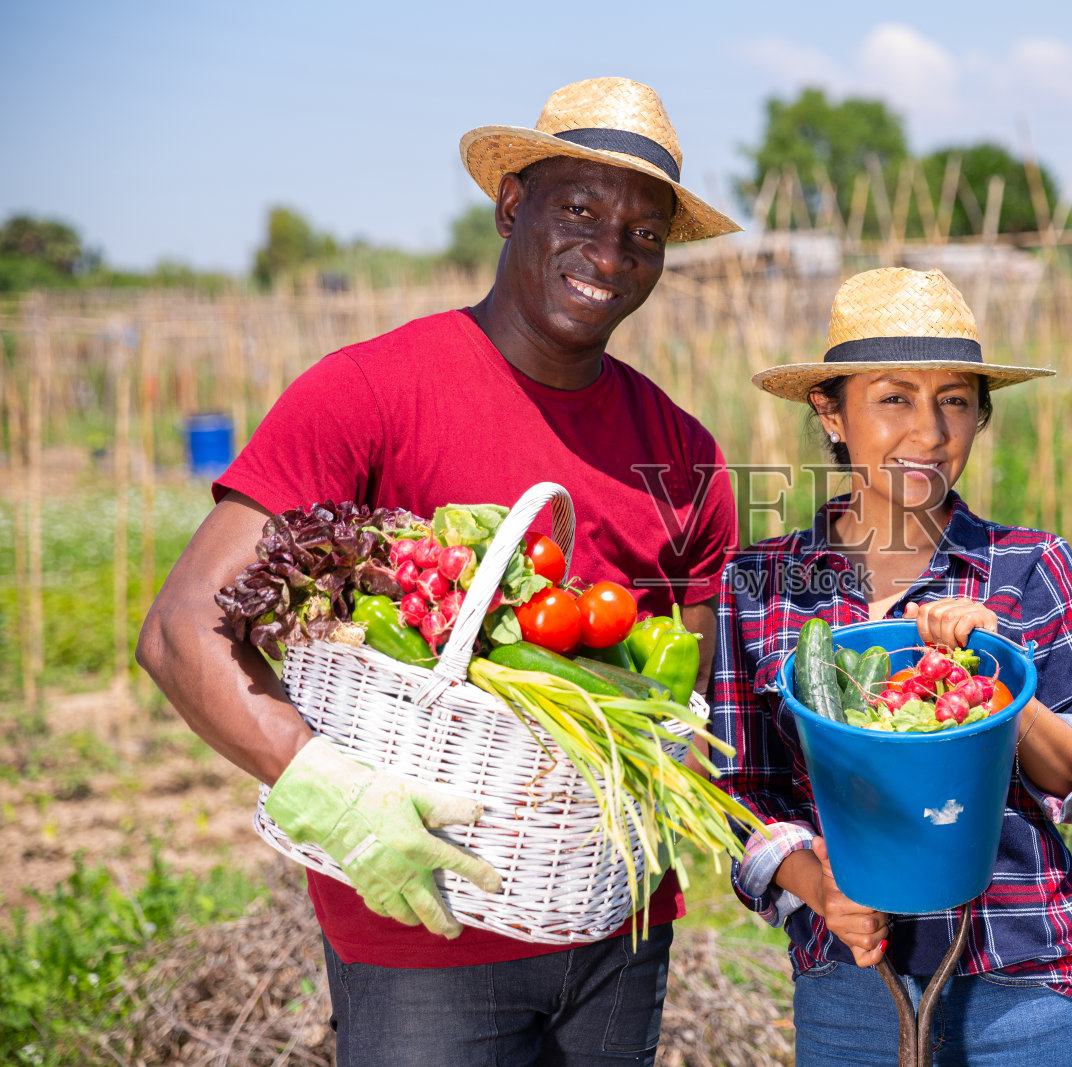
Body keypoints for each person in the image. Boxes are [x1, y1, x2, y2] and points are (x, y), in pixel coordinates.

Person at [137, 77, 742, 1066]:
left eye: (643, 233)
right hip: (423, 930)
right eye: (580, 210)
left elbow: (684, 705)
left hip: (619, 930)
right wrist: (333, 790)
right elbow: (180, 629)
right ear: (512, 207)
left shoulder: (685, 454)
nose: (611, 250)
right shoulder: (368, 393)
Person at [713, 268, 1072, 1066]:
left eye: (955, 401)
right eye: (894, 398)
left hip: (1024, 977)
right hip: (850, 990)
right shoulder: (761, 586)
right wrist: (820, 890)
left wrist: (996, 677)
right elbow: (738, 792)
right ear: (831, 411)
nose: (930, 433)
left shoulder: (1028, 567)